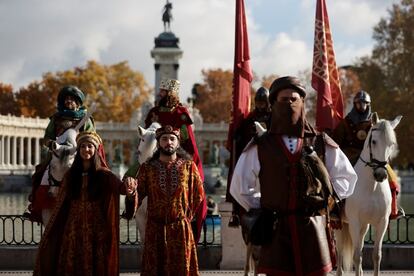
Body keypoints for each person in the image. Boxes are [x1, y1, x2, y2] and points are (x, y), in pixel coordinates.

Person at [230, 76, 357, 275]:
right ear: (273, 104)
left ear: (302, 102)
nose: (289, 103)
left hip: (313, 229)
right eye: (283, 99)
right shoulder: (261, 145)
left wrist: (328, 200)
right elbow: (239, 186)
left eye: (294, 99)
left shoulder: (319, 142)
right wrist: (265, 205)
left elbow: (347, 176)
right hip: (276, 232)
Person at [33, 131, 137, 276]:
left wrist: (130, 190)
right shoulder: (70, 175)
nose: (86, 150)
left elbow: (122, 189)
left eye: (89, 146)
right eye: (82, 147)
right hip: (73, 228)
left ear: (95, 150)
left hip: (97, 229)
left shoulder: (105, 174)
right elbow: (62, 204)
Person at [127, 125, 205, 276]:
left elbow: (198, 195)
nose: (168, 142)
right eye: (164, 139)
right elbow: (139, 195)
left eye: (172, 139)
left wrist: (186, 216)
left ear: (177, 143)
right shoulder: (147, 168)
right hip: (155, 229)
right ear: (158, 142)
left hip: (180, 229)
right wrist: (131, 194)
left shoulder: (189, 167)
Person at [144, 78, 206, 240]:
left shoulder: (180, 113)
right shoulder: (154, 112)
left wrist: (186, 158)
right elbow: (145, 136)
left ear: (170, 93)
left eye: (163, 91)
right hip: (154, 155)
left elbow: (187, 140)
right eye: (160, 91)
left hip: (176, 153)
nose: (160, 93)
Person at [25, 85, 95, 224]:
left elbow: (91, 137)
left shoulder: (86, 119)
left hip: (79, 153)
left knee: (97, 173)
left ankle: (96, 206)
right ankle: (35, 208)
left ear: (77, 102)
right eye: (66, 99)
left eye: (71, 99)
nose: (68, 101)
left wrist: (81, 144)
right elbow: (46, 137)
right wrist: (51, 143)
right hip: (57, 152)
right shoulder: (56, 118)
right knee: (39, 172)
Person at [332, 90, 404, 219]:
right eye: (359, 103)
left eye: (364, 103)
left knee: (392, 178)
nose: (362, 106)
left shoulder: (375, 123)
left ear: (368, 104)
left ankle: (393, 209)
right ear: (355, 104)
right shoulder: (346, 122)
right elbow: (336, 141)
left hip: (373, 156)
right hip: (350, 155)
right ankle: (336, 209)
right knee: (340, 178)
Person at [228, 87, 272, 227]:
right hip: (253, 155)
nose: (260, 106)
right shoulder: (251, 117)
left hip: (269, 156)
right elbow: (242, 133)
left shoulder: (274, 116)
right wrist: (238, 135)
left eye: (262, 103)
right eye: (258, 103)